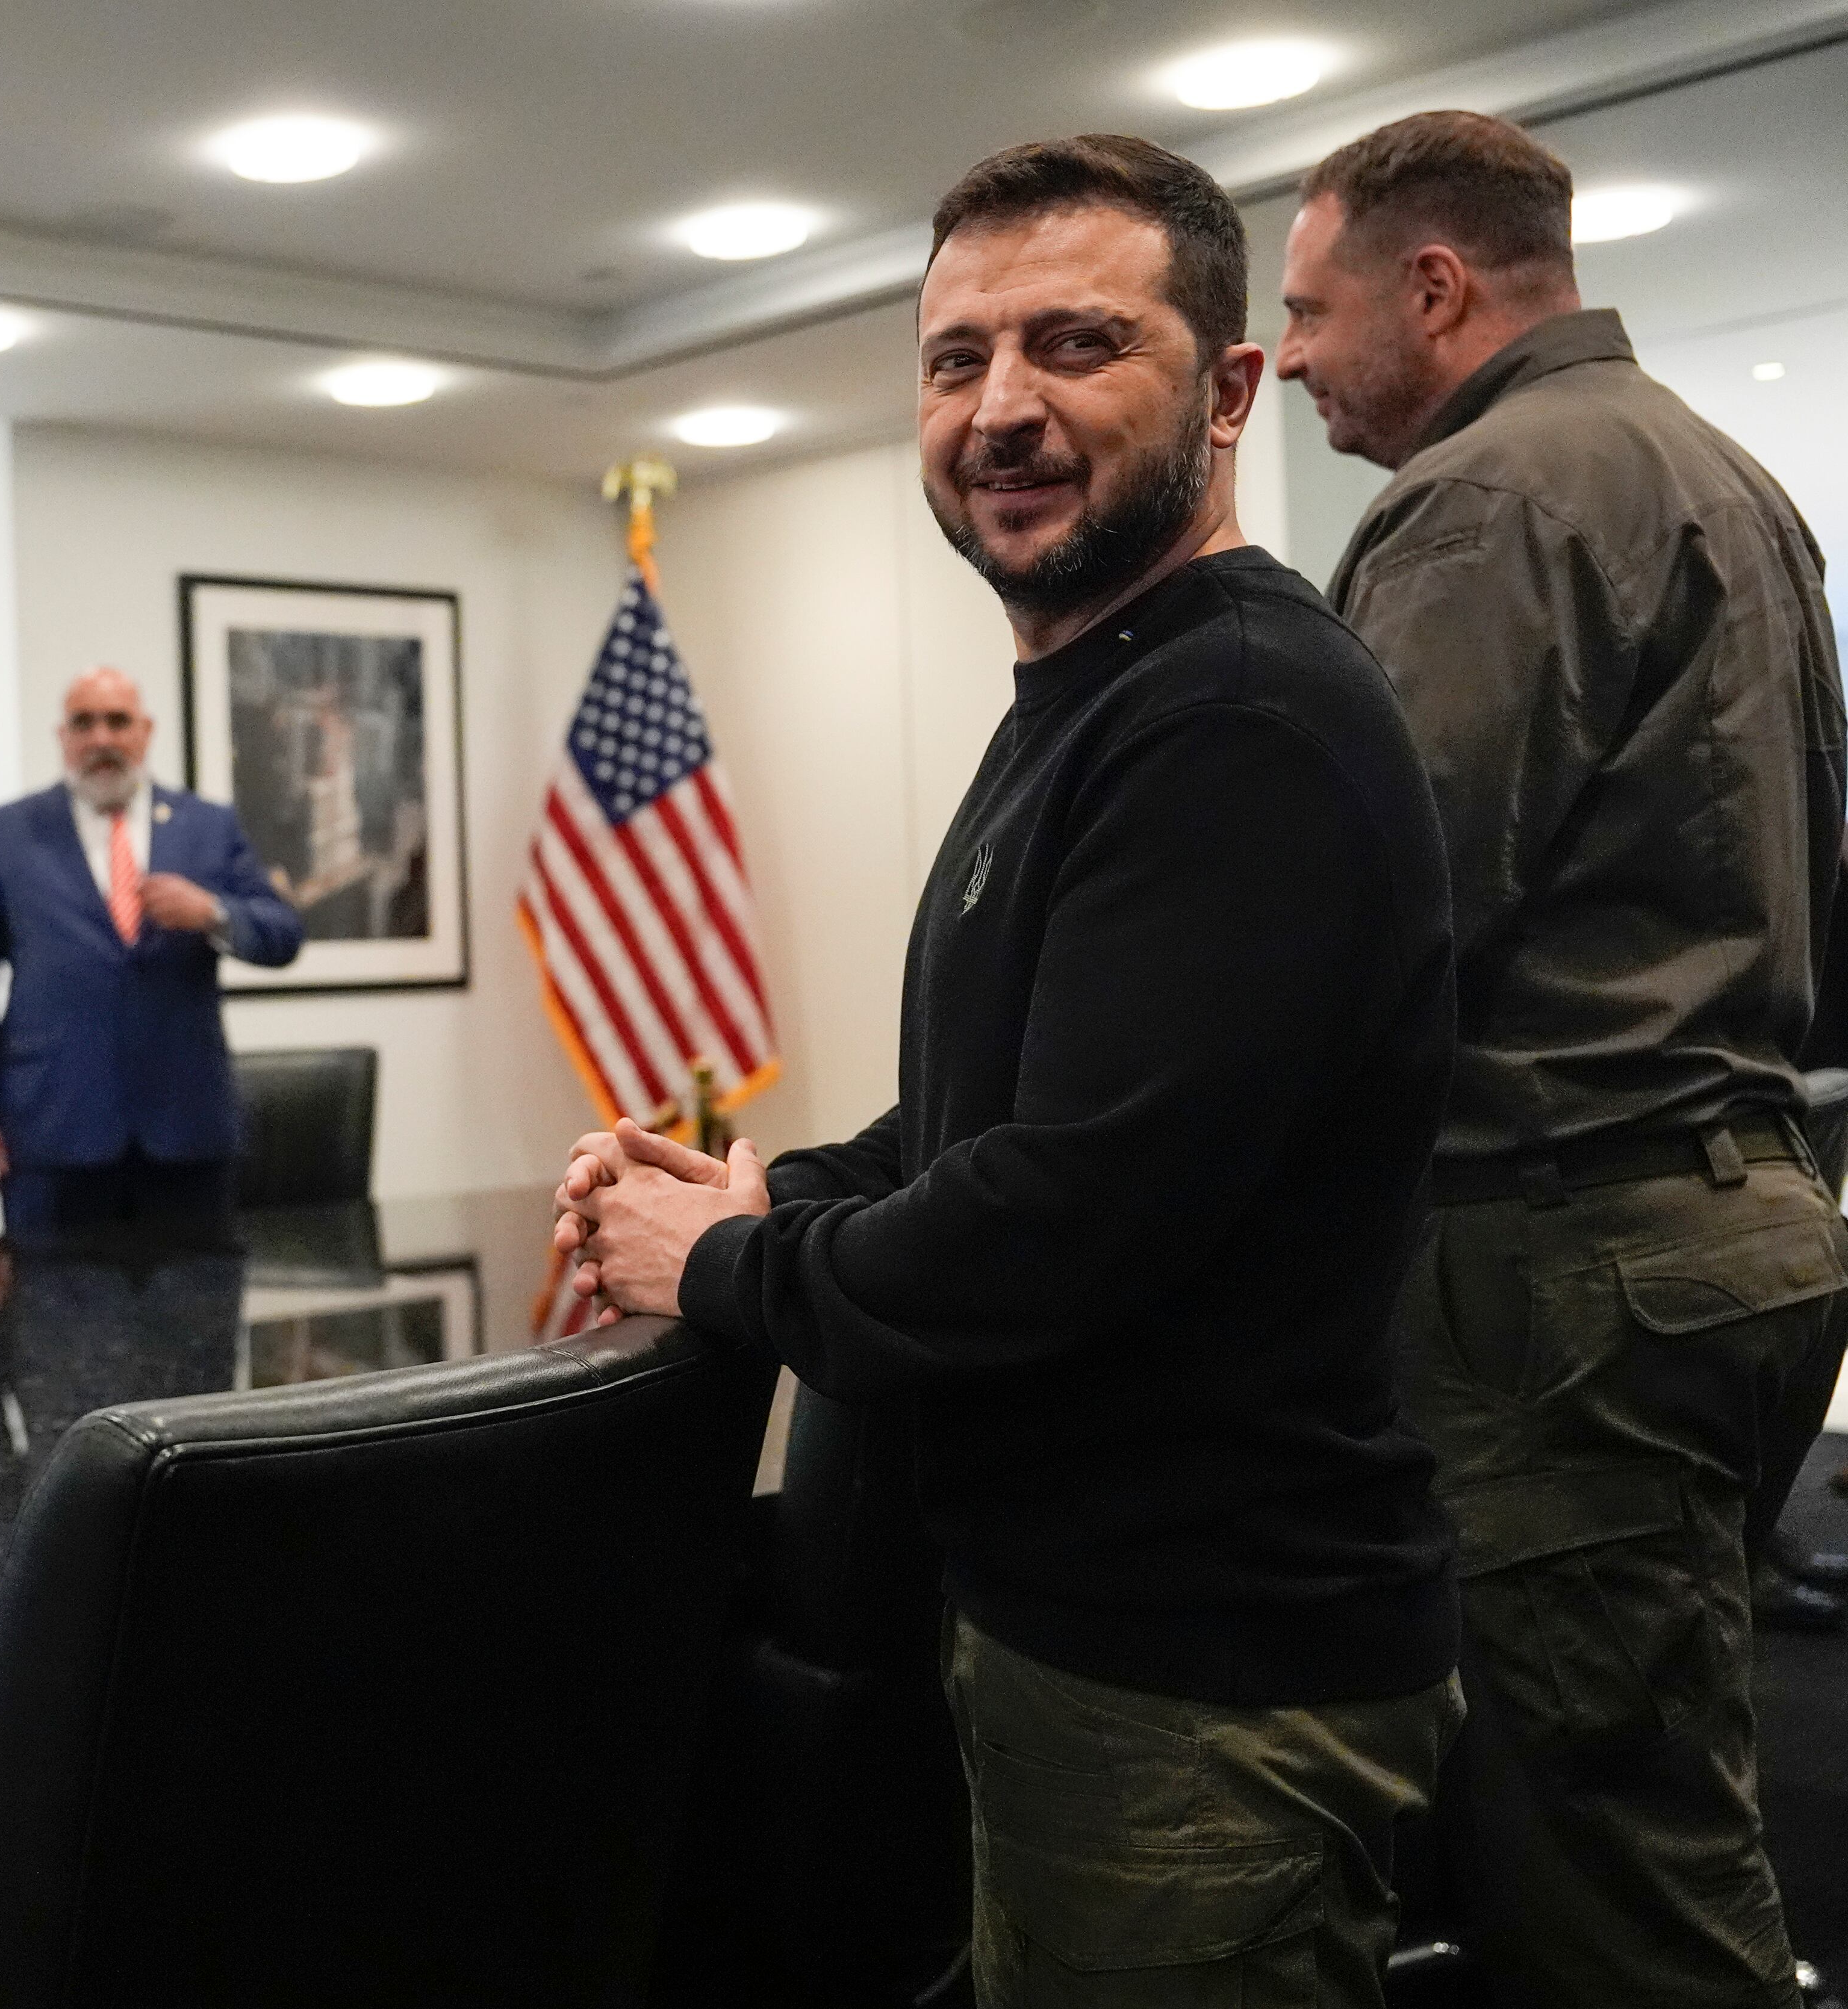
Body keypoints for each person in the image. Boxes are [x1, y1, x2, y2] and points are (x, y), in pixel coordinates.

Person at [556, 135, 1461, 2007]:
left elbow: (1057, 1218)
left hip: (1198, 1664)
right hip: (1078, 1625)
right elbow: (981, 1108)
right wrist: (768, 1190)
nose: (1002, 408)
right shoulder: (1098, 684)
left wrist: (722, 1268)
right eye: (955, 358)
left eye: (1073, 344)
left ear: (1222, 391)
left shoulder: (1234, 716)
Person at [1279, 108, 1848, 2007]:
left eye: (1303, 307)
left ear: (1430, 288)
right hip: (1731, 1233)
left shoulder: (1493, 495)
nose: (1282, 358)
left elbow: (1373, 921)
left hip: (1561, 1264)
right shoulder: (1723, 478)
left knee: (1604, 1885)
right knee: (1651, 1782)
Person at [0, 666, 303, 1240]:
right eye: (84, 723)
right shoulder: (7, 833)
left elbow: (284, 936)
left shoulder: (208, 827)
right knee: (53, 1319)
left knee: (193, 1318)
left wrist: (214, 913)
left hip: (187, 1131)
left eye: (118, 722)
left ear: (146, 731)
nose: (102, 739)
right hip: (52, 1131)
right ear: (62, 737)